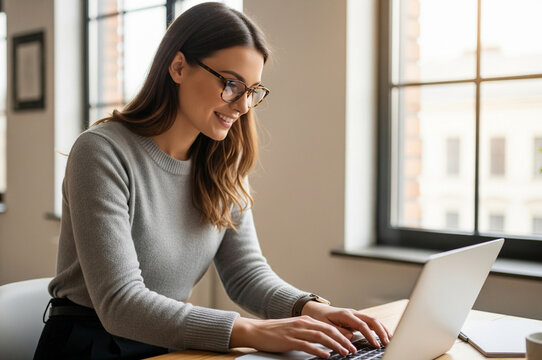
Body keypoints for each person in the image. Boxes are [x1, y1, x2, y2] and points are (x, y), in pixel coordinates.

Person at [34, 3, 391, 359]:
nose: (243, 106)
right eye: (231, 84)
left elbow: (246, 275)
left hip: (170, 343)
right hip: (91, 345)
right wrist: (253, 331)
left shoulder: (223, 161)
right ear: (178, 67)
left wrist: (310, 309)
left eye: (252, 90)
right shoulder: (101, 152)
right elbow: (120, 303)